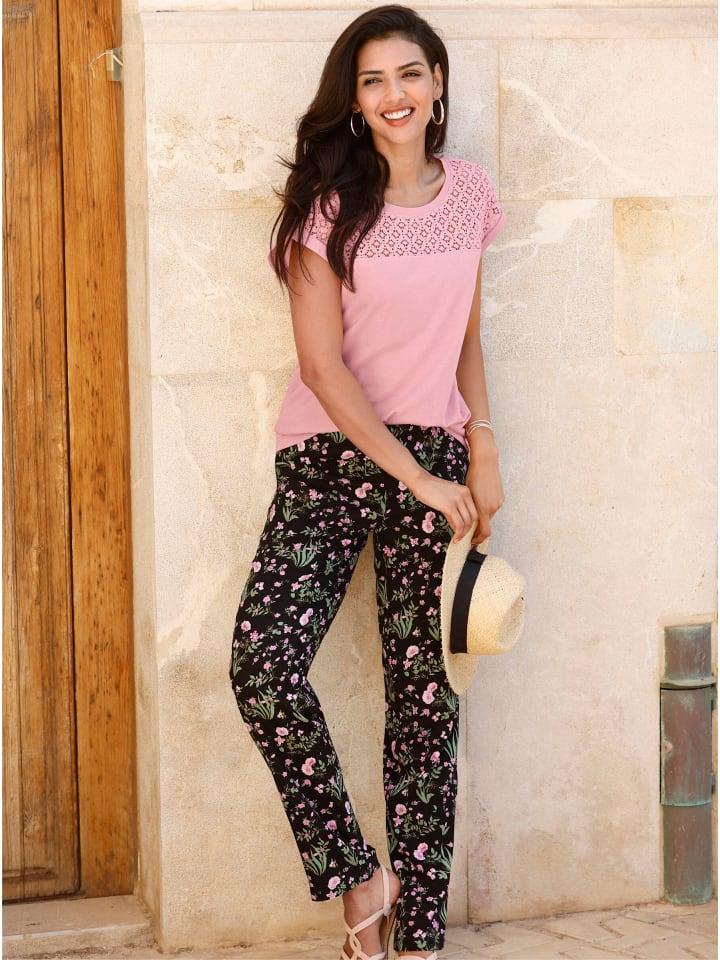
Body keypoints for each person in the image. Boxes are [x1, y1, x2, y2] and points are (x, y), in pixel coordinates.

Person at [228, 5, 507, 957]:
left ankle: (416, 935)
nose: (395, 95)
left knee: (425, 699)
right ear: (353, 100)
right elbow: (322, 368)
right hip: (331, 458)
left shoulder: (471, 195)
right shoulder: (326, 208)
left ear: (438, 83)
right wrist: (414, 477)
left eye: (410, 74)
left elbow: (466, 334)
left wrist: (481, 448)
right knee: (263, 666)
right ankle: (359, 878)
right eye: (374, 80)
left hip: (439, 457)